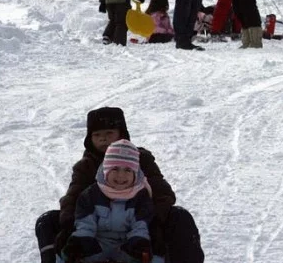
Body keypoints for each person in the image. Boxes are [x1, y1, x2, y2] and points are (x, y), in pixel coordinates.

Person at [35, 107, 204, 263]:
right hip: (97, 230)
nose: (103, 139)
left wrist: (150, 223)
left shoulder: (140, 158)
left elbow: (163, 194)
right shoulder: (86, 166)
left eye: (109, 133)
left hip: (139, 225)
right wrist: (68, 229)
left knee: (180, 217)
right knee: (48, 221)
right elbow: (73, 198)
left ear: (121, 134)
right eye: (97, 135)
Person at [61, 139, 156, 263]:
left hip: (126, 246)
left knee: (154, 258)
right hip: (98, 244)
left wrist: (138, 242)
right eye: (115, 169)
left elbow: (140, 226)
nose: (121, 176)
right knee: (65, 256)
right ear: (106, 170)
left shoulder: (140, 197)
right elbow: (85, 224)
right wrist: (82, 241)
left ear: (136, 173)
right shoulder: (91, 195)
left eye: (127, 170)